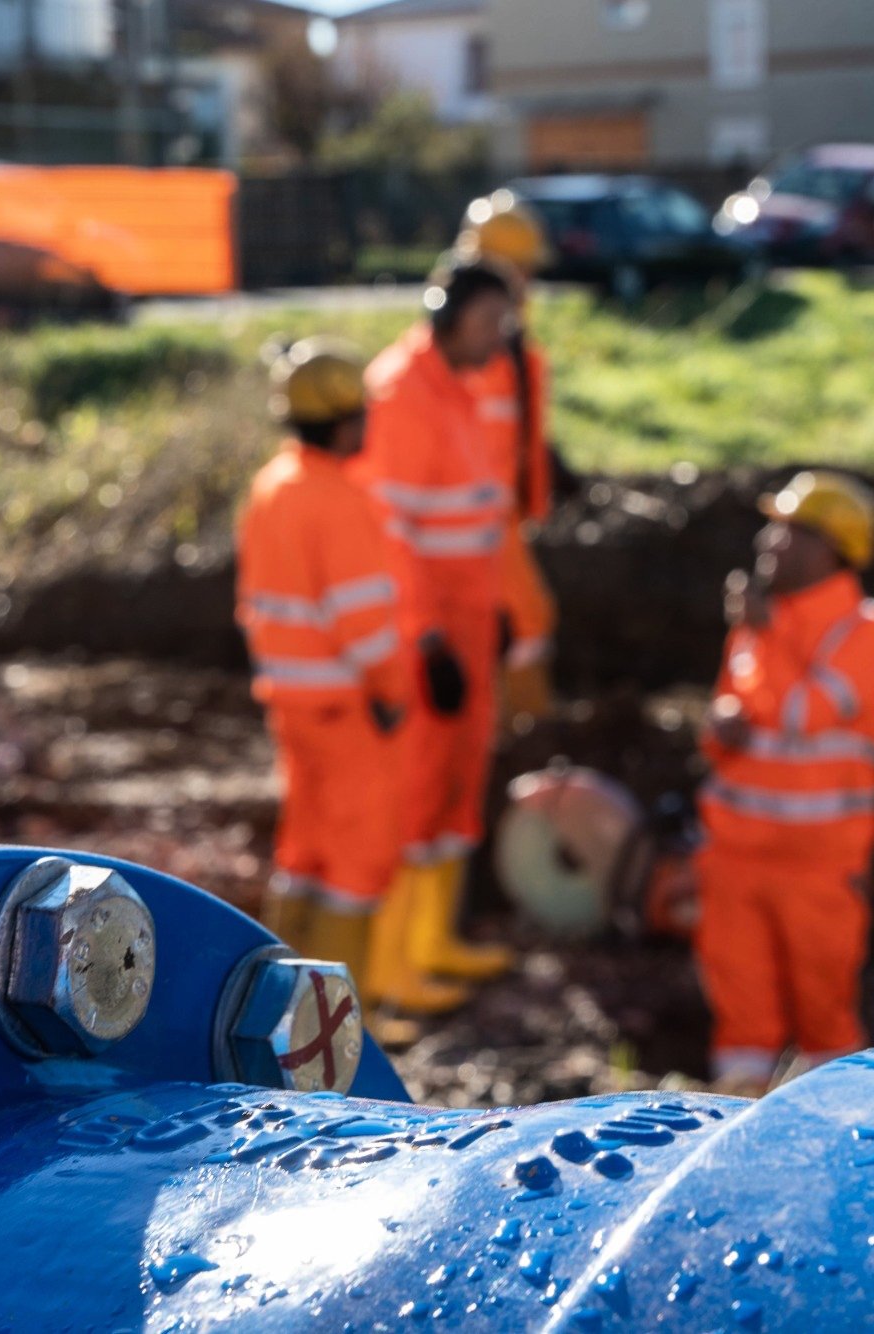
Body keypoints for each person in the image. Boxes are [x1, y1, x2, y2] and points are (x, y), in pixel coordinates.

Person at [692, 471, 874, 1097]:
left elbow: (799, 714)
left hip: (818, 866)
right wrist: (720, 729)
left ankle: (840, 1143)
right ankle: (733, 1130)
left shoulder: (871, 632)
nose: (769, 542)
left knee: (827, 1025)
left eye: (790, 531)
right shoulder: (758, 628)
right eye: (773, 526)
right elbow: (726, 730)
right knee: (741, 1025)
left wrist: (765, 637)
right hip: (734, 857)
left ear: (831, 548)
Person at [355, 258, 520, 1014]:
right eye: (490, 322)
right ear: (447, 317)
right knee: (418, 791)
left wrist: (500, 608)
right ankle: (390, 968)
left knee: (458, 785)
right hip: (431, 628)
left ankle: (432, 943)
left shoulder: (461, 387)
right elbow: (393, 534)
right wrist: (423, 639)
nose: (501, 339)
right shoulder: (404, 392)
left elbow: (473, 513)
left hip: (470, 613)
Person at [236, 339, 415, 990]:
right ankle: (343, 1023)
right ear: (345, 422)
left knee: (304, 852)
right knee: (356, 864)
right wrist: (394, 691)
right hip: (345, 708)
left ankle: (278, 1005)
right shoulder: (337, 499)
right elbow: (362, 622)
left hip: (291, 701)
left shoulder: (273, 484)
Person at [456, 191, 560, 725]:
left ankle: (508, 725)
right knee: (526, 619)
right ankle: (522, 731)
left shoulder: (507, 341)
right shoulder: (470, 347)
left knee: (516, 622)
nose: (530, 284)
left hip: (498, 518)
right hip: (474, 524)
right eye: (523, 271)